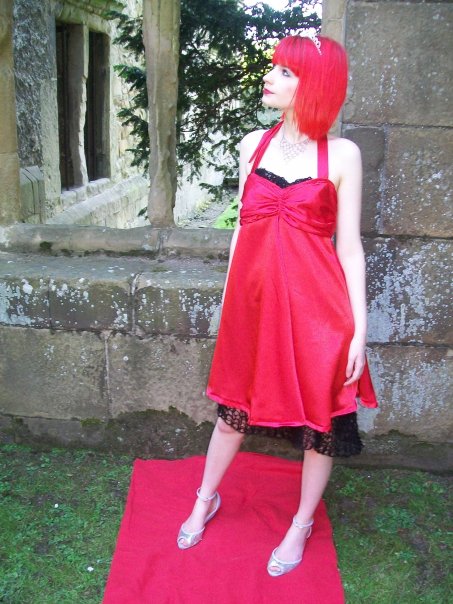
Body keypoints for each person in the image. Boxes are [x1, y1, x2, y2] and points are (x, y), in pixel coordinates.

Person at [177, 33, 378, 577]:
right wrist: (229, 304)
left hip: (320, 314)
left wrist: (359, 333)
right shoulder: (252, 145)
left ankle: (301, 523)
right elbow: (242, 235)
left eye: (286, 72)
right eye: (275, 68)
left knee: (321, 425)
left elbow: (351, 248)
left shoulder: (342, 154)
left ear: (314, 84)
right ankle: (205, 498)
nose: (271, 77)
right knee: (232, 414)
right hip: (254, 307)